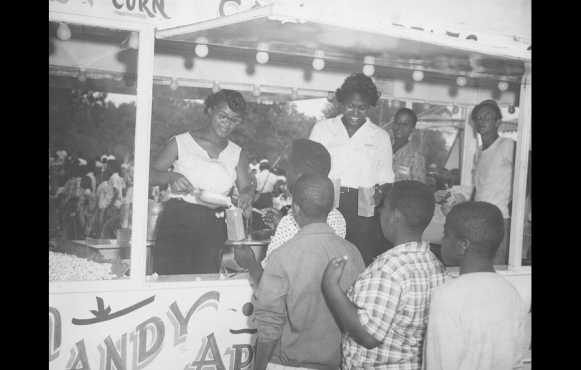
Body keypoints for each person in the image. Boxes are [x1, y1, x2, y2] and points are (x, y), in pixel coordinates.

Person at [322, 181, 451, 370]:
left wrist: (331, 286)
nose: (380, 211)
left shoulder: (388, 270)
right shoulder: (436, 266)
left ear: (394, 216)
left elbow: (368, 336)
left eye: (384, 207)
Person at [254, 173, 366, 370]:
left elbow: (270, 322)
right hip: (337, 363)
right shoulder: (353, 252)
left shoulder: (282, 255)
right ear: (331, 207)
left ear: (295, 208)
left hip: (289, 363)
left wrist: (259, 367)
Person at [149, 89, 254, 275]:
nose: (227, 124)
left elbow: (246, 186)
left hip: (214, 224)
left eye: (234, 119)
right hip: (178, 219)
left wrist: (247, 193)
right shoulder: (181, 142)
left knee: (205, 280)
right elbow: (148, 174)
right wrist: (170, 177)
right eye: (223, 116)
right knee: (169, 279)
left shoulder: (236, 152)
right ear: (210, 110)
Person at [422, 201, 526, 370]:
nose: (443, 241)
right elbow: (516, 364)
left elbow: (439, 365)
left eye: (446, 235)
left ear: (463, 245)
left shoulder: (446, 296)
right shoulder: (511, 293)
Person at [234, 138, 347, 288]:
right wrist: (281, 225)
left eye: (288, 168)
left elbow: (268, 284)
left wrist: (249, 261)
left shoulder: (290, 223)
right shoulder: (340, 218)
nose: (286, 173)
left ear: (298, 176)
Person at [309, 73, 394, 266]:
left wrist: (382, 192)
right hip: (328, 204)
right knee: (325, 261)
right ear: (342, 102)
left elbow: (387, 180)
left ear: (370, 106)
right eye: (350, 106)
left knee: (359, 263)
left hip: (364, 211)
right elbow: (310, 171)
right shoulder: (322, 129)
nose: (355, 112)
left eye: (362, 108)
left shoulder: (380, 137)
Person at [471, 99, 516, 265]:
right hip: (479, 217)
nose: (481, 120)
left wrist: (517, 201)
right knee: (479, 265)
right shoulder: (479, 151)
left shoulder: (506, 145)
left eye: (487, 117)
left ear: (498, 122)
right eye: (478, 117)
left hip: (499, 218)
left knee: (496, 268)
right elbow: (480, 186)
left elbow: (528, 164)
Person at [392, 108, 426, 183]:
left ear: (413, 129)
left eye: (405, 124)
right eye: (397, 122)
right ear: (393, 124)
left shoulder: (416, 156)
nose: (400, 126)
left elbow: (420, 189)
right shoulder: (384, 150)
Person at [253, 161, 280, 230]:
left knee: (257, 215)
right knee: (267, 215)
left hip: (258, 197)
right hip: (268, 197)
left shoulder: (257, 176)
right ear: (269, 167)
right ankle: (266, 231)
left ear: (260, 167)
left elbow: (254, 188)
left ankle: (257, 231)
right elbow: (276, 190)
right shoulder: (274, 177)